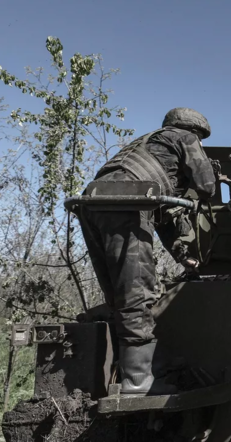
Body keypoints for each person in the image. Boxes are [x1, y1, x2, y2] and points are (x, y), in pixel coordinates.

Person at [77, 107, 216, 395]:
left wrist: (182, 254)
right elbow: (207, 185)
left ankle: (134, 369)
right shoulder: (184, 137)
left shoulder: (145, 149)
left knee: (119, 294)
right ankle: (138, 382)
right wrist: (197, 195)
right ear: (195, 131)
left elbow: (161, 216)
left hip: (92, 203)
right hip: (125, 204)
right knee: (137, 290)